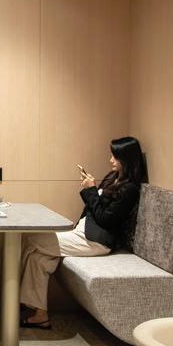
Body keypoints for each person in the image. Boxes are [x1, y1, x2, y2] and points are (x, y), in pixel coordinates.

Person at [19, 136, 148, 329]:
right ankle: (40, 315)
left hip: (96, 241)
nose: (110, 160)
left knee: (31, 239)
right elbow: (97, 207)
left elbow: (106, 219)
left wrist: (91, 190)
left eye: (115, 156)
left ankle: (13, 300)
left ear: (127, 159)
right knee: (38, 259)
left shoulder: (130, 189)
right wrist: (92, 189)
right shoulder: (113, 177)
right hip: (84, 232)